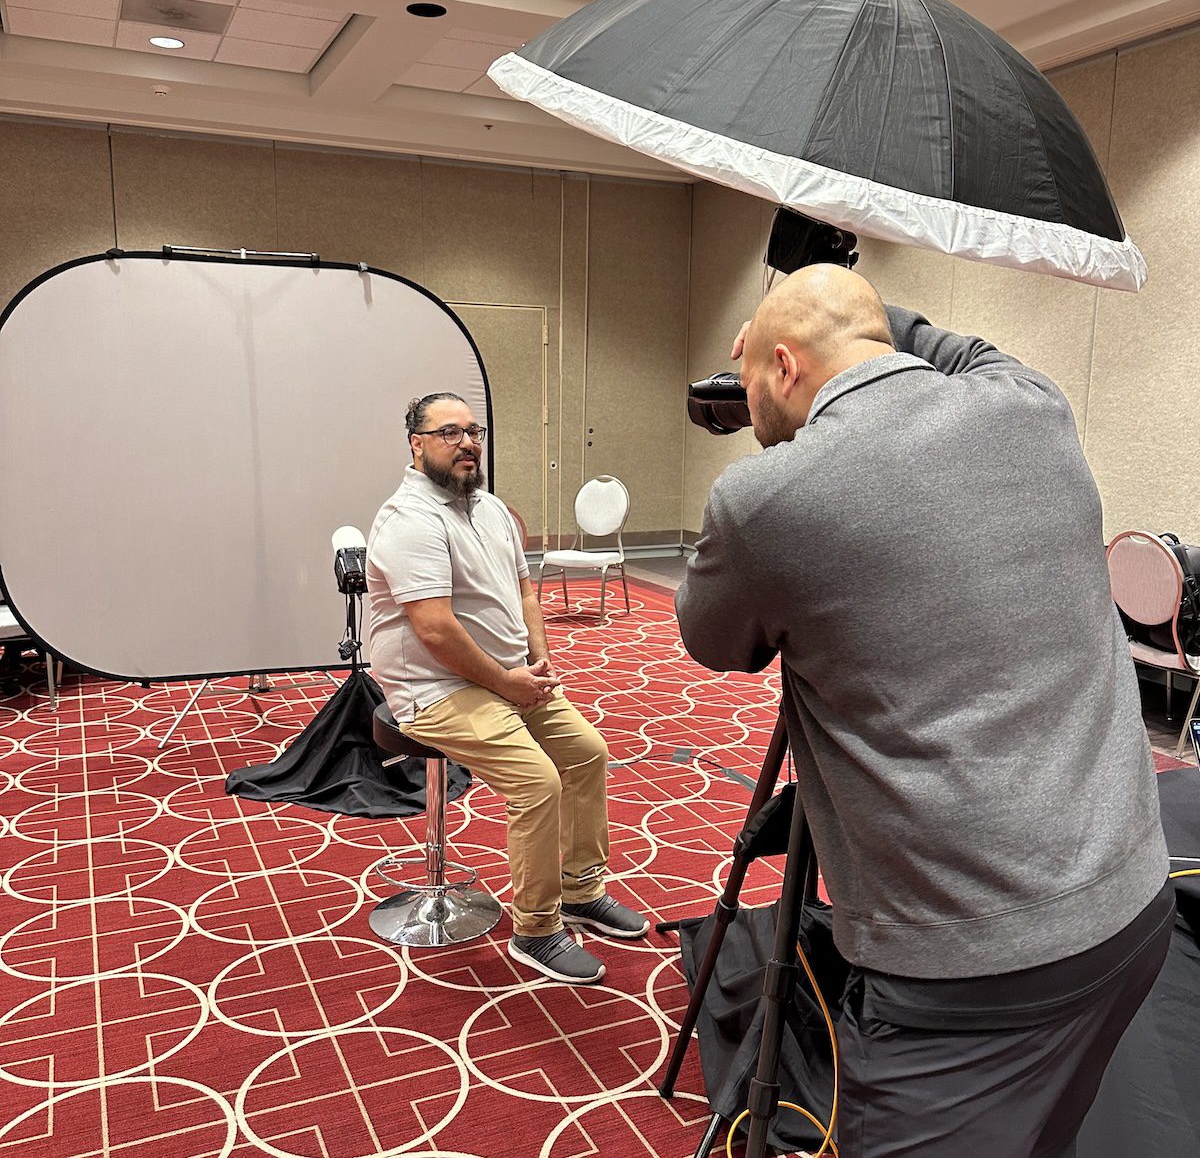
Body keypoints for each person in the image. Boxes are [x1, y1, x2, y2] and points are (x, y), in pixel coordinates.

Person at [675, 265, 1172, 1158]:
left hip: (969, 971)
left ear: (784, 366)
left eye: (750, 382)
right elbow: (954, 347)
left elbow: (713, 639)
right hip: (1132, 905)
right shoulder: (1031, 402)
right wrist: (854, 305)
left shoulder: (766, 498)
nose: (746, 408)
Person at [366, 391, 648, 985]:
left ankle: (579, 890)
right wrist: (507, 682)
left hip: (509, 677)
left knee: (586, 754)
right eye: (449, 432)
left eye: (474, 431)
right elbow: (435, 630)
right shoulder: (409, 520)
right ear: (416, 444)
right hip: (434, 688)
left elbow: (524, 594)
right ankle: (537, 929)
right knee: (537, 780)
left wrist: (538, 661)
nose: (467, 442)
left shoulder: (490, 508)